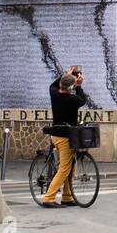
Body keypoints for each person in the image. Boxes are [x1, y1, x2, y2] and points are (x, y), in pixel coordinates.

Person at [40, 66, 88, 208]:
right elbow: (83, 100)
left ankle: (67, 197)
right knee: (65, 168)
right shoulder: (72, 99)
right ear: (71, 87)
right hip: (65, 138)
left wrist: (66, 75)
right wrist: (79, 86)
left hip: (55, 135)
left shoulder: (54, 94)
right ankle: (48, 198)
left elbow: (53, 85)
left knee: (70, 166)